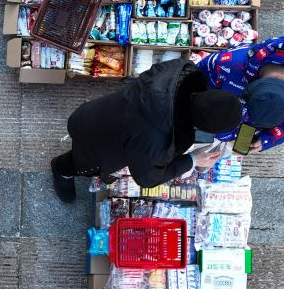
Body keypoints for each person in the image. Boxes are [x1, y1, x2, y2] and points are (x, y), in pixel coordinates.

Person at [50, 58, 242, 202]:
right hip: (100, 143)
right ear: (203, 127)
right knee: (79, 162)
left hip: (97, 112)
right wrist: (192, 160)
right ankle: (61, 169)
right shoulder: (159, 138)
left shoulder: (182, 70)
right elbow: (147, 177)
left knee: (90, 142)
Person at [196, 35, 284, 151]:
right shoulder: (228, 63)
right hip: (203, 116)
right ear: (246, 90)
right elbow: (194, 76)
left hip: (228, 130)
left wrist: (269, 139)